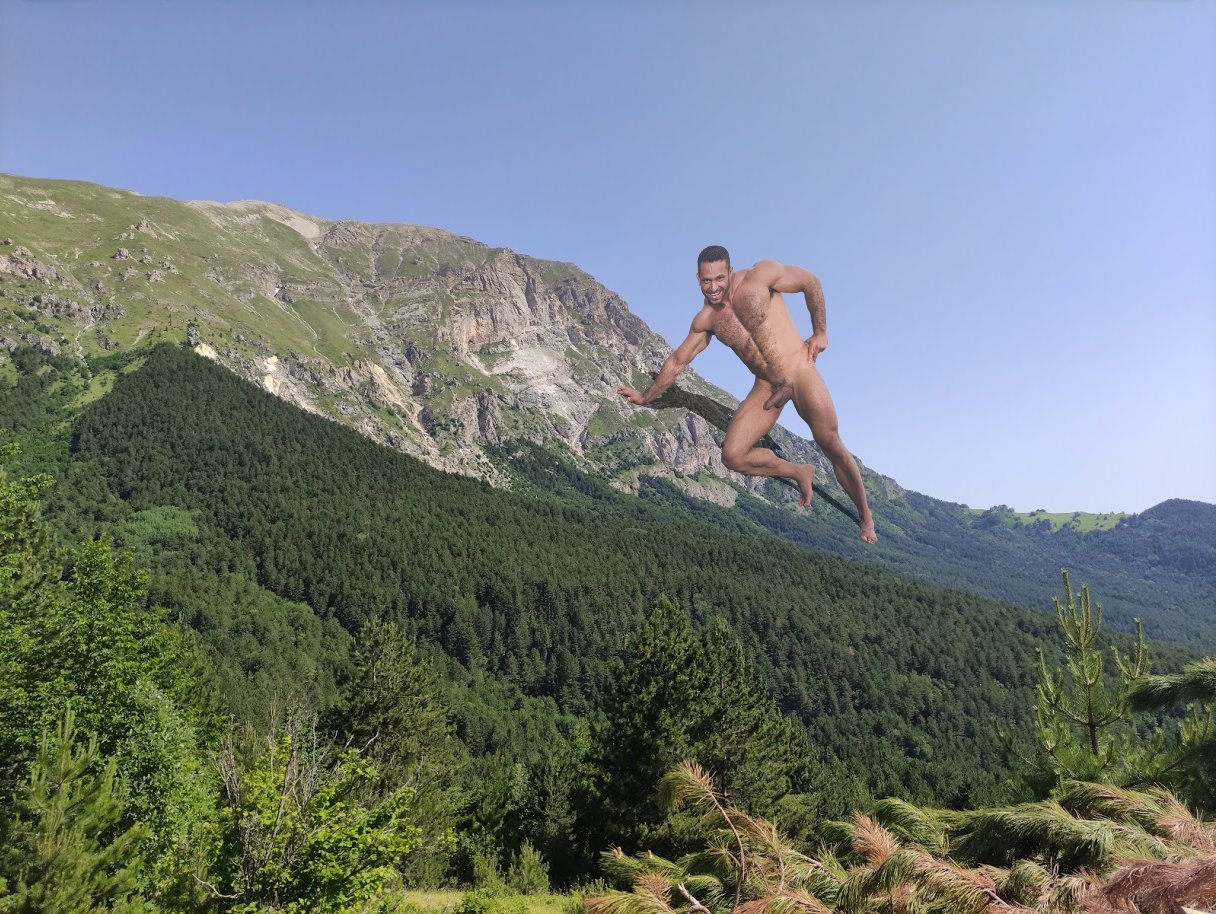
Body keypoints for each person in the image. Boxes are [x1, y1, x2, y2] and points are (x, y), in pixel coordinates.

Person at [619, 245, 877, 544]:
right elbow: (677, 362)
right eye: (706, 281)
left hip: (799, 371)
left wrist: (820, 331)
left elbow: (810, 282)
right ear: (698, 279)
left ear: (730, 272)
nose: (713, 287)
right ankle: (798, 471)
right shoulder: (706, 320)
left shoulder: (760, 277)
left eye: (719, 278)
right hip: (767, 385)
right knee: (732, 455)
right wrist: (646, 396)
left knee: (830, 444)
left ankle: (865, 515)